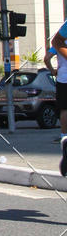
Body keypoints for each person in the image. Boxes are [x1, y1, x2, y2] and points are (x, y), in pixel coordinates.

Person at [50, 24, 67, 174]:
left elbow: (47, 57)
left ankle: (64, 136)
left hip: (63, 78)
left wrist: (52, 71)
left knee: (64, 109)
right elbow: (56, 41)